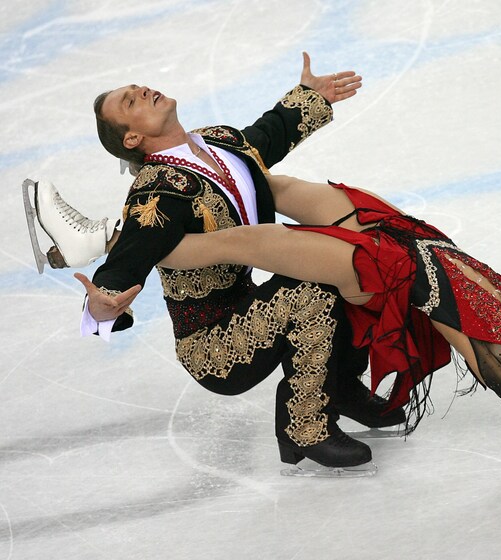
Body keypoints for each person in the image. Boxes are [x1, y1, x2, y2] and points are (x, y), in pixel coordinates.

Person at [83, 175, 501, 448]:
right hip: (411, 235)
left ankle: (105, 251)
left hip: (383, 272)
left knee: (255, 241)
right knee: (268, 185)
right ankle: (185, 176)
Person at [53, 53, 408, 474]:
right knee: (311, 289)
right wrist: (100, 307)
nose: (143, 91)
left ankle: (340, 389)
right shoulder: (158, 193)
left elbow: (266, 137)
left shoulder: (217, 141)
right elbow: (125, 263)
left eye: (138, 88)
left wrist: (309, 97)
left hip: (250, 304)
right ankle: (303, 426)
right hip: (214, 345)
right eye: (131, 103)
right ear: (132, 140)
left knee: (344, 269)